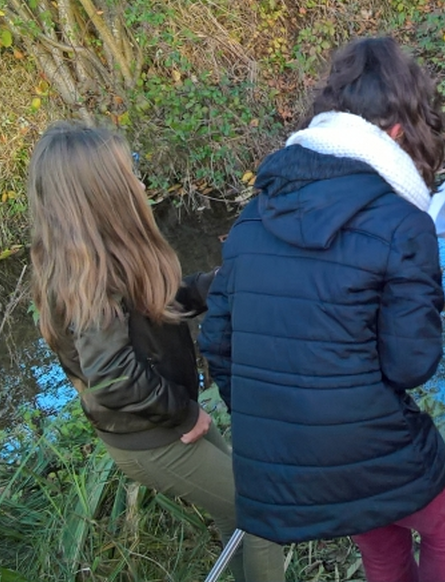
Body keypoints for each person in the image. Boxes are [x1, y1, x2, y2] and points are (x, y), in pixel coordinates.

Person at [198, 37, 445, 582]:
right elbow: (411, 365)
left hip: (280, 455)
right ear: (397, 131)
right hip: (363, 439)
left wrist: (283, 418)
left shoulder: (254, 215)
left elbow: (218, 343)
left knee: (380, 531)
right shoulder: (403, 221)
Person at [26, 120, 284, 582]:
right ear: (102, 194)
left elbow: (157, 307)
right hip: (153, 437)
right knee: (263, 512)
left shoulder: (103, 258)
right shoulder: (88, 281)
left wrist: (220, 284)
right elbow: (112, 378)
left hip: (163, 421)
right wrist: (183, 414)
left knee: (235, 515)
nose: (141, 184)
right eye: (130, 174)